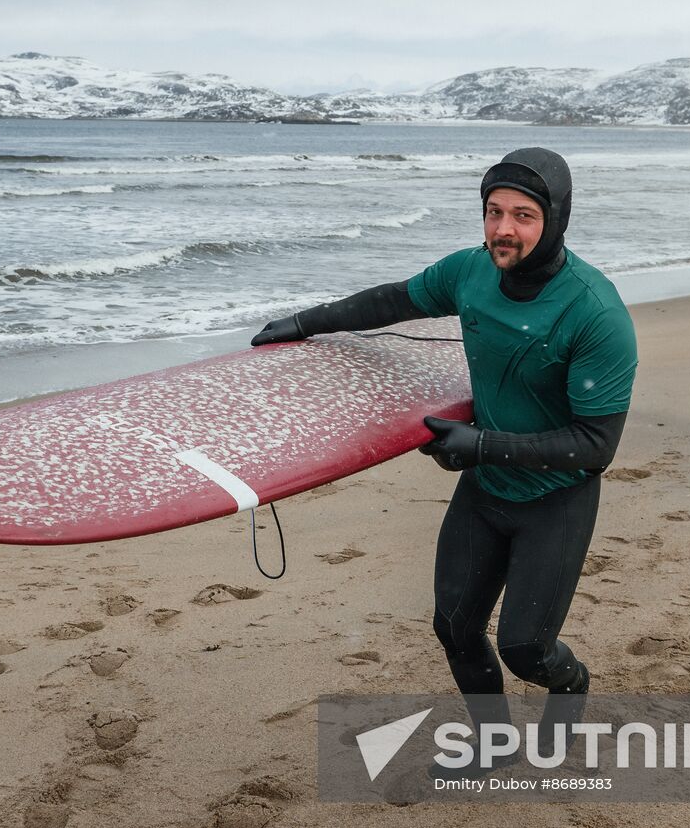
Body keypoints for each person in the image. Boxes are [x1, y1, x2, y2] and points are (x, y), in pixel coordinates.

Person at [251, 147, 637, 779]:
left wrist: (477, 445)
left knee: (525, 648)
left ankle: (570, 687)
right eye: (493, 212)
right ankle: (495, 744)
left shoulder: (594, 314)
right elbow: (393, 301)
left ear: (556, 220)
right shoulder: (471, 272)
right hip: (486, 491)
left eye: (524, 215)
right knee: (455, 626)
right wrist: (303, 322)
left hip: (556, 499)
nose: (503, 230)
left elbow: (596, 447)